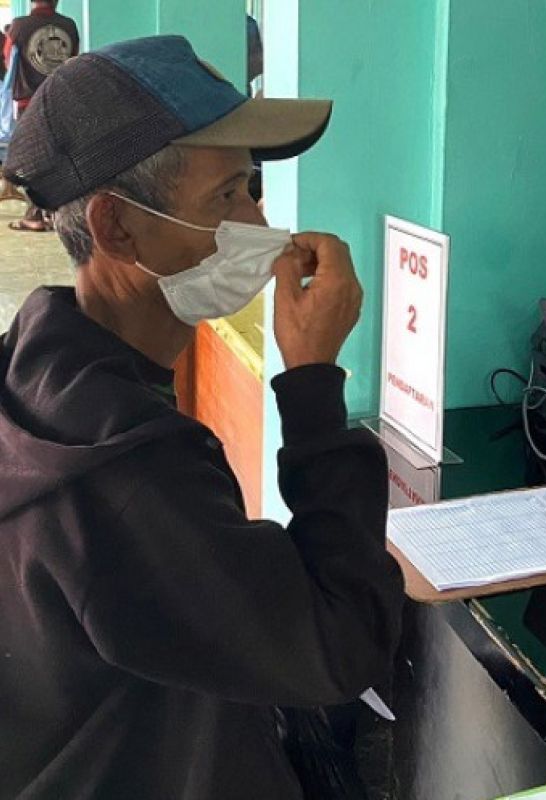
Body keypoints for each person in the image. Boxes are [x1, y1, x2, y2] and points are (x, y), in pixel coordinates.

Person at [0, 35, 405, 798]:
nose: (262, 221)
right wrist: (314, 381)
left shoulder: (34, 370)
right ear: (118, 228)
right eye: (227, 197)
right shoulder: (120, 471)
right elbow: (339, 647)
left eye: (253, 186)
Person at [5, 0, 78, 232]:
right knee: (57, 154)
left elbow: (9, 60)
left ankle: (35, 215)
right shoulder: (68, 25)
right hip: (59, 96)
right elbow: (73, 59)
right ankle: (53, 213)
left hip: (28, 101)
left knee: (30, 158)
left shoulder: (20, 25)